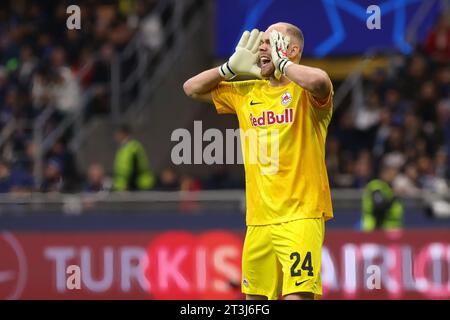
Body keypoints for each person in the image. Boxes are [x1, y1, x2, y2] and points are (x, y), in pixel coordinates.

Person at [183, 22, 334, 300]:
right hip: (258, 221)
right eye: (261, 42)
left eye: (270, 41)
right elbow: (191, 88)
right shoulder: (247, 91)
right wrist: (227, 69)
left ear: (293, 49)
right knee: (254, 301)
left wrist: (283, 65)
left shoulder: (307, 95)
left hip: (300, 216)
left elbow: (321, 81)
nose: (261, 46)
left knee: (297, 296)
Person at [113, 124, 155, 191]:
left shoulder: (133, 148)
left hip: (135, 187)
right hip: (124, 188)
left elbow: (136, 168)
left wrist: (129, 186)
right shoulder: (123, 147)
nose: (115, 136)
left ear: (124, 134)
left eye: (117, 133)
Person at [361, 165, 404, 231]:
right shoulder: (376, 186)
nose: (393, 177)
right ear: (383, 174)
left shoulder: (387, 187)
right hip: (372, 225)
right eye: (390, 174)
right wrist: (394, 197)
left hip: (387, 226)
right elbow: (379, 204)